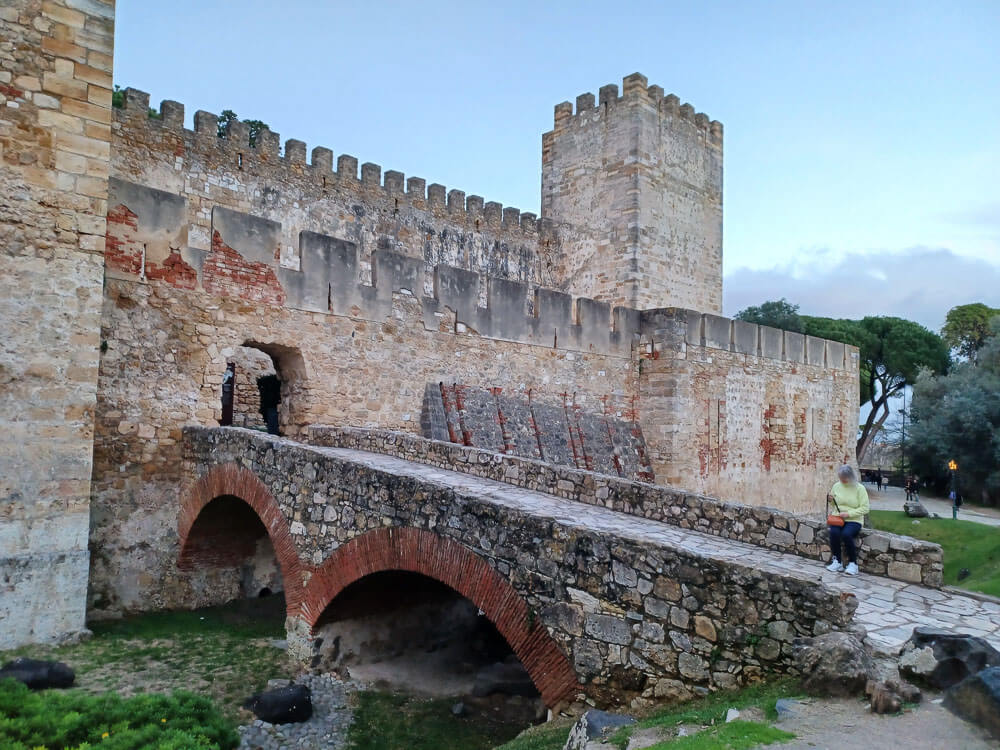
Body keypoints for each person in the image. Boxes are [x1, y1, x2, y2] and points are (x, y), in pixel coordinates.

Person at [826, 465, 870, 576]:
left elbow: (865, 508)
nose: (842, 480)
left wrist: (849, 514)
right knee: (834, 533)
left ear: (850, 477)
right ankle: (837, 561)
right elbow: (833, 504)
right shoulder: (836, 486)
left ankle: (853, 564)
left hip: (854, 519)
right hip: (838, 517)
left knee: (846, 534)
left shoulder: (860, 488)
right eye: (840, 478)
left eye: (844, 478)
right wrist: (830, 500)